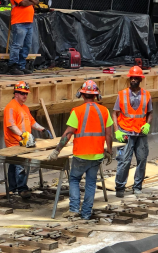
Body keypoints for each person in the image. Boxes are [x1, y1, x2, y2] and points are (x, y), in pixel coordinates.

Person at [48, 80, 112, 220]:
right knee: (91, 183)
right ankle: (86, 213)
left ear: (82, 94)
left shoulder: (77, 112)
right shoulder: (104, 111)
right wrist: (109, 151)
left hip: (81, 154)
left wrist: (56, 151)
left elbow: (67, 134)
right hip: (96, 155)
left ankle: (74, 209)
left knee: (74, 179)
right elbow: (109, 134)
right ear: (96, 95)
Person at [3, 80, 50, 195]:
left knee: (15, 165)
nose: (25, 96)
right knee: (20, 165)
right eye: (22, 93)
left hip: (24, 141)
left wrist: (42, 129)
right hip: (15, 142)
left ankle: (13, 188)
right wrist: (22, 135)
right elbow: (11, 125)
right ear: (16, 94)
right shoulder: (11, 107)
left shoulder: (24, 108)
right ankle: (22, 189)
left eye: (26, 94)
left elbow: (32, 122)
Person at [113, 65, 153, 198]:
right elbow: (115, 114)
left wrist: (147, 124)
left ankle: (137, 186)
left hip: (141, 133)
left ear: (140, 79)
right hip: (126, 132)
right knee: (124, 161)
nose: (134, 80)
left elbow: (150, 113)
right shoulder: (122, 94)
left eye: (136, 78)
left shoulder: (146, 95)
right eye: (132, 78)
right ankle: (120, 187)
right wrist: (117, 131)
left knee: (142, 159)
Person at [7, 0, 39, 76]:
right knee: (17, 45)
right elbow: (24, 3)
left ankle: (21, 66)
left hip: (29, 22)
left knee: (26, 45)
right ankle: (13, 66)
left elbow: (37, 1)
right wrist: (30, 0)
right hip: (19, 22)